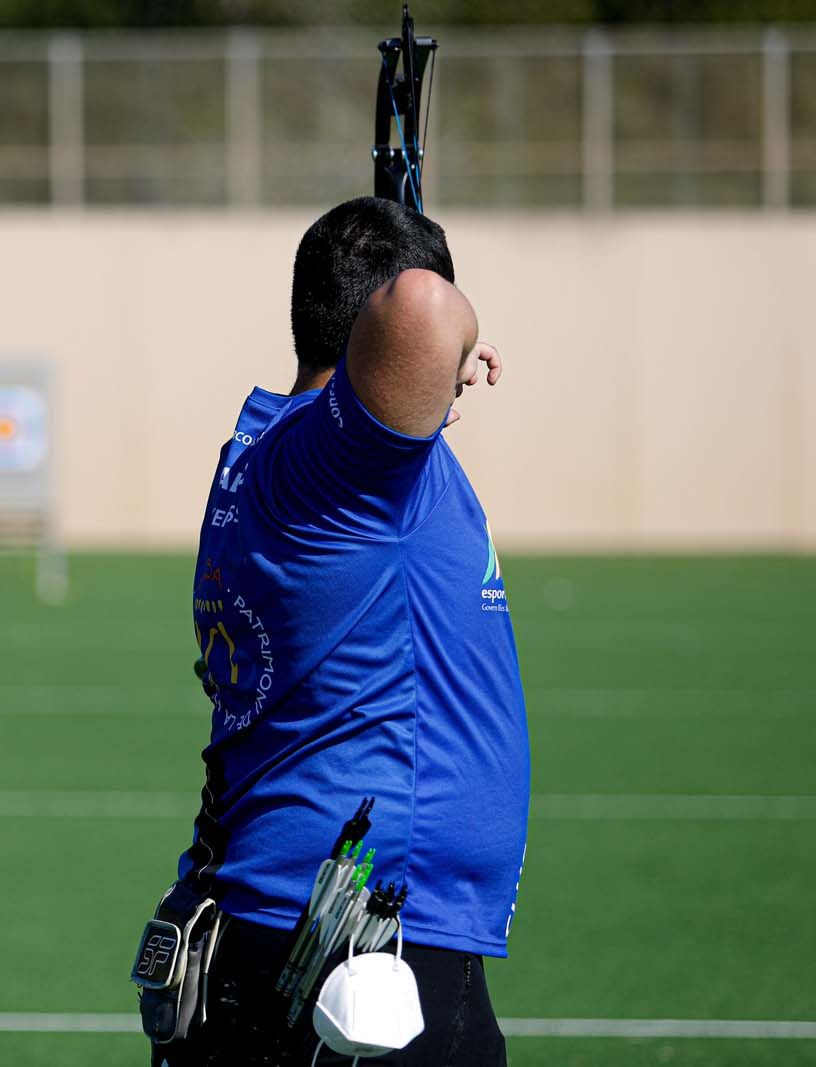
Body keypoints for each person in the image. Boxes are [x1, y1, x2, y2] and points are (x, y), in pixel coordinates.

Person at [139, 198, 526, 1066]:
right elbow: (422, 305)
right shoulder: (338, 464)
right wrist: (452, 346)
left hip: (298, 936)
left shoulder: (269, 445)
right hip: (353, 961)